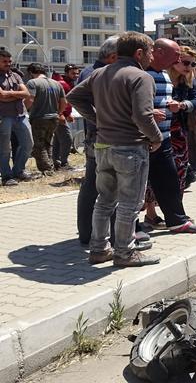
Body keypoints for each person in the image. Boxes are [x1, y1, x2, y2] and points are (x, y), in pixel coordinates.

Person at [67, 31, 163, 267]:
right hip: (130, 147)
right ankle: (124, 254)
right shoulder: (141, 77)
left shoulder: (99, 73)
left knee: (105, 201)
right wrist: (156, 137)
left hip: (102, 146)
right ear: (139, 53)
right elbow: (143, 116)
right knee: (130, 204)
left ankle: (99, 250)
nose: (152, 56)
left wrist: (98, 119)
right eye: (150, 51)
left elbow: (73, 96)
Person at [144, 39, 196, 234]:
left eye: (191, 63)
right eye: (180, 59)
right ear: (159, 52)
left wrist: (181, 105)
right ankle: (138, 222)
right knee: (143, 182)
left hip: (170, 136)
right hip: (147, 136)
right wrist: (148, 112)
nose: (185, 63)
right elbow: (133, 103)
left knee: (172, 177)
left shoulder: (166, 76)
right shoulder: (143, 74)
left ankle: (176, 219)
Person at [76, 35, 120, 245]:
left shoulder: (90, 71)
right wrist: (101, 120)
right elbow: (77, 100)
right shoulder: (98, 73)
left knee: (92, 185)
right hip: (102, 138)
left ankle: (87, 233)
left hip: (97, 136)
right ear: (113, 56)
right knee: (105, 186)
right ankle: (105, 234)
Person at [167, 46, 196, 191]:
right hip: (159, 129)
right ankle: (151, 210)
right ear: (175, 61)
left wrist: (182, 105)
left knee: (179, 168)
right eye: (186, 63)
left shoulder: (189, 81)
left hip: (179, 130)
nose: (190, 67)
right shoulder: (161, 77)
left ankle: (176, 206)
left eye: (193, 64)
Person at [24, 62, 67, 175]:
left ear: (31, 72)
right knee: (48, 143)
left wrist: (24, 110)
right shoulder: (56, 83)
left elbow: (30, 100)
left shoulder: (32, 83)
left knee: (39, 145)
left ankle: (47, 169)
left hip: (39, 118)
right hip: (53, 118)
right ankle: (50, 165)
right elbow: (64, 102)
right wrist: (59, 113)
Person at [0, 49, 33, 186]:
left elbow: (26, 94)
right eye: (4, 61)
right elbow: (1, 96)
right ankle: (6, 176)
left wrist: (10, 95)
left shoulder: (16, 75)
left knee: (28, 144)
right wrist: (16, 95)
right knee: (4, 148)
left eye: (9, 61)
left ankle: (18, 170)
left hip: (20, 115)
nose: (8, 64)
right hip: (4, 116)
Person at [51, 63, 79, 170]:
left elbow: (66, 101)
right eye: (73, 73)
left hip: (60, 114)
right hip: (58, 115)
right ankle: (63, 163)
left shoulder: (68, 82)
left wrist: (67, 114)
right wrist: (61, 114)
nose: (76, 75)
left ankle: (57, 163)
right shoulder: (62, 83)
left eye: (77, 73)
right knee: (67, 139)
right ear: (66, 73)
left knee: (58, 140)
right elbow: (57, 101)